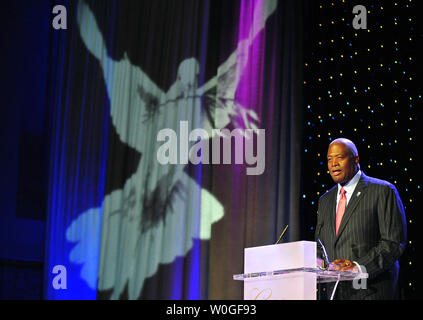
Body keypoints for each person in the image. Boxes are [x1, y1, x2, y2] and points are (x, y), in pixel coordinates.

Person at [315, 138, 407, 299]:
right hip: (337, 292)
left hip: (371, 290)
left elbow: (393, 243)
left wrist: (358, 267)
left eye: (340, 157)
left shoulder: (382, 191)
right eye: (329, 159)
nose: (333, 163)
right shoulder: (325, 200)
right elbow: (321, 244)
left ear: (356, 159)